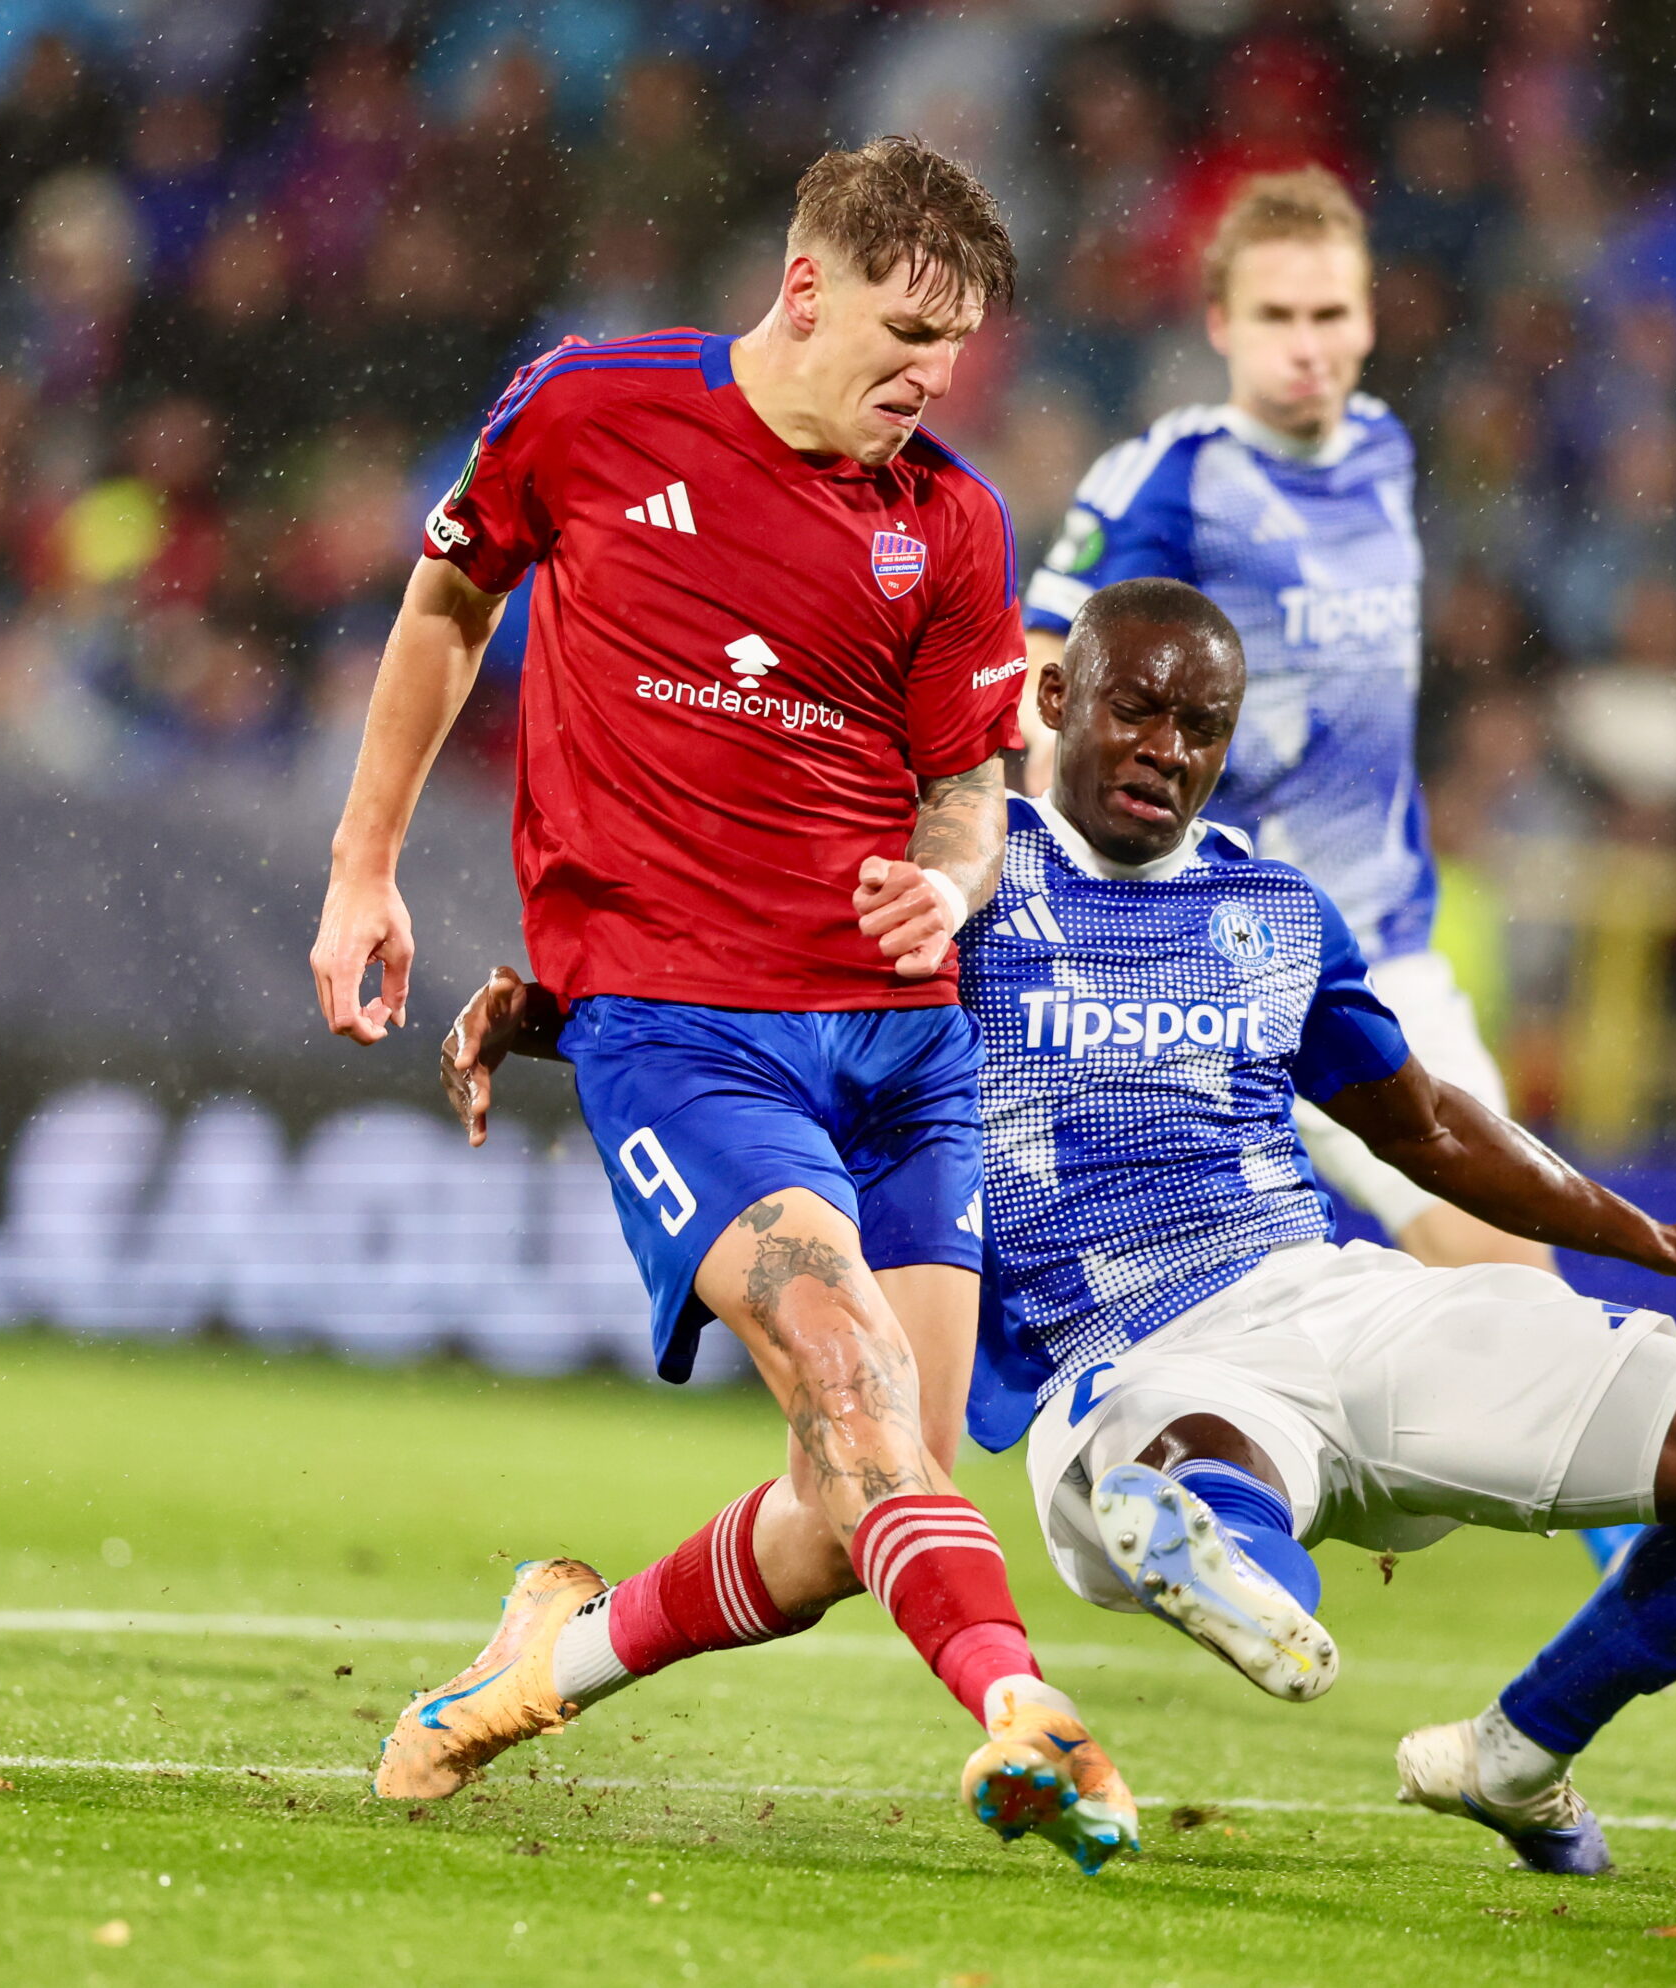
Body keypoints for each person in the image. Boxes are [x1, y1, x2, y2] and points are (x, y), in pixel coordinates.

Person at [443, 579, 1676, 1878]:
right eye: (1135, 709)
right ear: (1055, 702)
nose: (1166, 748)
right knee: (1193, 1461)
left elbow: (1424, 1128)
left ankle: (1516, 1753)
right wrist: (561, 1014)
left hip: (1338, 1295)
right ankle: (1212, 1540)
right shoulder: (966, 878)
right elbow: (755, 997)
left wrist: (1654, 1240)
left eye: (1201, 725)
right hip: (1116, 1361)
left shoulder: (1274, 910)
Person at [308, 137, 1136, 1875]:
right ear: (806, 282)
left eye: (962, 348)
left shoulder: (955, 525)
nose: (934, 377)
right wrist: (364, 867)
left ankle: (555, 1657)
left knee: (862, 1505)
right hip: (687, 1033)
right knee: (852, 1396)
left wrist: (955, 877)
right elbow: (451, 597)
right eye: (910, 331)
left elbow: (969, 795)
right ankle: (1027, 1713)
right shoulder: (592, 412)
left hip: (908, 1042)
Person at [1021, 168, 1649, 1572]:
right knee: (1203, 1301)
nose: (1307, 341)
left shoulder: (1386, 452)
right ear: (1221, 324)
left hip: (1376, 949)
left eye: (1333, 311)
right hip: (1207, 959)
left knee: (1507, 1266)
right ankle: (1206, 1507)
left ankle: (1594, 1558)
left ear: (1370, 323)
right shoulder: (1166, 478)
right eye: (1277, 314)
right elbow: (1035, 674)